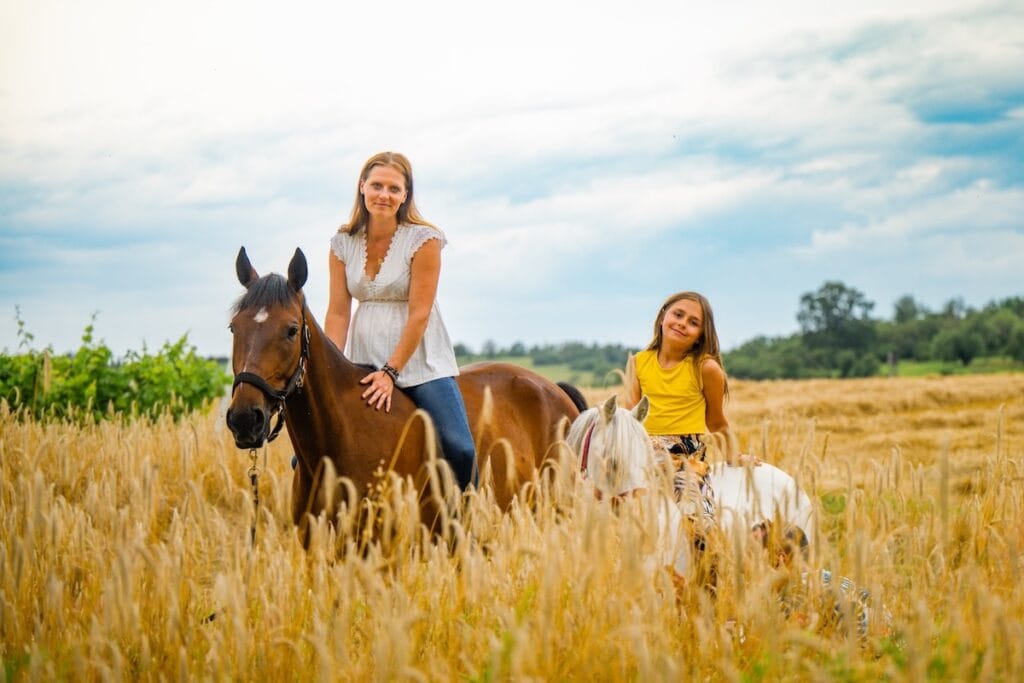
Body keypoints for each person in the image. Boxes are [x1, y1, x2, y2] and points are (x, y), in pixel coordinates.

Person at [324, 151, 476, 491]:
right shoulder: (342, 244)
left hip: (419, 361)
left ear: (405, 195)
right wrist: (332, 369)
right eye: (377, 185)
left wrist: (391, 372)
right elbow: (337, 312)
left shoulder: (424, 240)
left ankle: (467, 520)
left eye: (394, 188)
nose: (384, 195)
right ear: (362, 187)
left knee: (459, 447)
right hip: (361, 361)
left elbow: (419, 314)